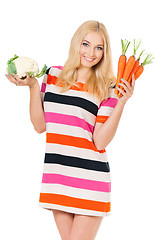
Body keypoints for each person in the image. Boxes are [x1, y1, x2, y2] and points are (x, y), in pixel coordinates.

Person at [6, 20, 135, 240]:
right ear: (77, 43)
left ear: (105, 52)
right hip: (58, 177)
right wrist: (33, 87)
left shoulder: (108, 87)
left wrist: (121, 103)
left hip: (90, 179)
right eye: (86, 44)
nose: (91, 53)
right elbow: (40, 126)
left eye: (99, 47)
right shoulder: (52, 75)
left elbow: (100, 142)